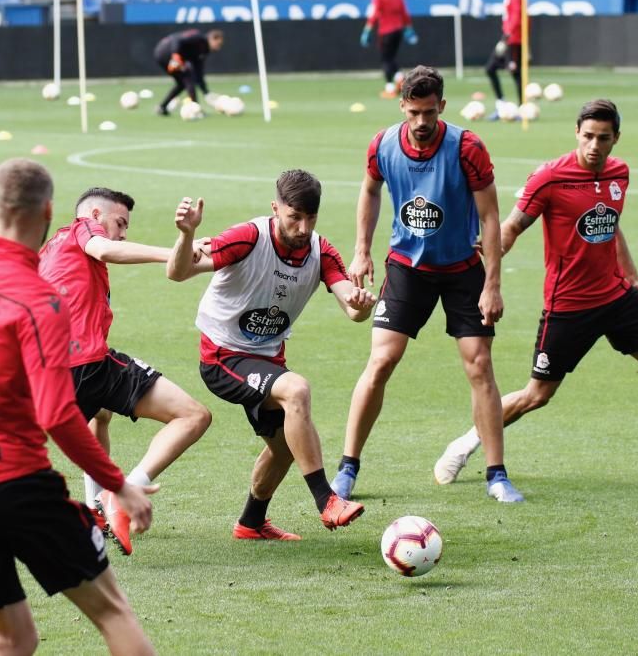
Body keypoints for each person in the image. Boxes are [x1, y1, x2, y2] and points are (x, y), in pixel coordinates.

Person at [0, 158, 157, 655]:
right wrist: (118, 486)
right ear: (49, 212)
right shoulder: (41, 300)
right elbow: (57, 416)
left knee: (13, 639)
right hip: (13, 484)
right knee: (113, 612)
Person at [435, 99, 638, 483]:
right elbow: (510, 227)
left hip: (615, 295)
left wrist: (633, 277)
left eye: (603, 138)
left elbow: (611, 225)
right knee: (537, 395)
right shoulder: (550, 177)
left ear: (615, 139)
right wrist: (488, 263)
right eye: (588, 136)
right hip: (569, 306)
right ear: (577, 132)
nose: (594, 145)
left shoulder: (619, 174)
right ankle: (467, 442)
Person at [331, 65, 524, 503]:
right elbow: (370, 190)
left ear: (442, 106)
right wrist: (361, 249)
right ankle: (347, 468)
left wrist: (492, 284)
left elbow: (492, 217)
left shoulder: (467, 147)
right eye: (414, 112)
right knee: (381, 361)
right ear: (402, 106)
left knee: (479, 365)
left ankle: (497, 474)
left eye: (430, 112)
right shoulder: (382, 144)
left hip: (461, 270)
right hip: (407, 268)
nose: (421, 122)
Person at [167, 170, 375, 540]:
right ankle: (327, 501)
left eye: (310, 218)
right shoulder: (248, 237)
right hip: (223, 356)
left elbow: (353, 309)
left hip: (265, 361)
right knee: (296, 390)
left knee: (284, 449)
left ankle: (251, 523)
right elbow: (177, 272)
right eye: (294, 216)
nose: (302, 227)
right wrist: (186, 235)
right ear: (275, 208)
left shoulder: (320, 250)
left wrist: (360, 302)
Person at [38, 187, 212, 555]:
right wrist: (171, 251)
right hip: (87, 364)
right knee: (193, 416)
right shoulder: (83, 230)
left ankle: (93, 508)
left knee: (99, 415)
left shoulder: (50, 249)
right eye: (120, 223)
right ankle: (124, 493)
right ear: (96, 216)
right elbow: (106, 249)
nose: (122, 233)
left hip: (49, 375)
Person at [361, 0, 417, 99]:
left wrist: (367, 30)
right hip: (398, 31)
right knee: (391, 58)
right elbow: (404, 13)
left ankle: (390, 88)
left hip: (386, 32)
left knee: (385, 59)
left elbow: (375, 13)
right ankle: (400, 78)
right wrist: (409, 28)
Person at [153, 28, 224, 116]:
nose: (218, 47)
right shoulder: (198, 38)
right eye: (218, 44)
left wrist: (206, 93)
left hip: (170, 55)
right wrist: (175, 55)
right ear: (212, 38)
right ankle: (195, 110)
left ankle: (162, 107)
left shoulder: (204, 51)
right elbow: (177, 39)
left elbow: (199, 73)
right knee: (188, 78)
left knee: (182, 83)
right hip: (165, 51)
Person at [485, 0, 523, 120]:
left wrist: (508, 35)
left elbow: (518, 15)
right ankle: (501, 105)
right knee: (491, 68)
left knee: (516, 73)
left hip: (513, 40)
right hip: (508, 38)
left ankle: (522, 109)